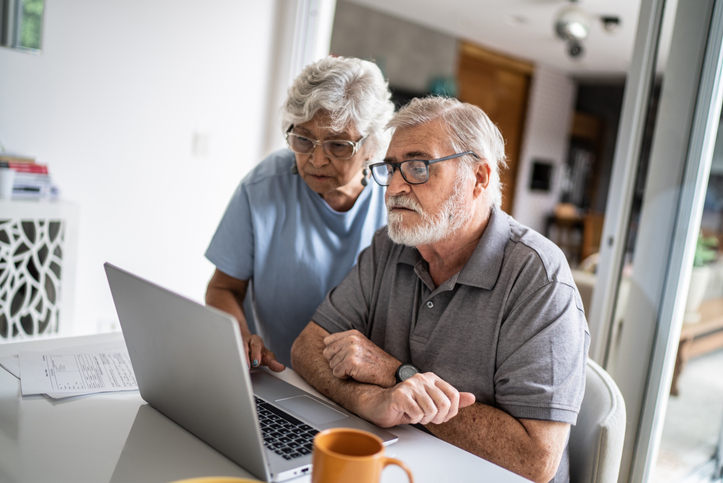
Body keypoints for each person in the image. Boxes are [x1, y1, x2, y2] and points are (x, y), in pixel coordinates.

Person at [291, 97, 589, 483]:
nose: (395, 187)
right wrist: (372, 401)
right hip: (404, 463)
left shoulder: (539, 278)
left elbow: (534, 459)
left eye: (418, 167)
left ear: (479, 178)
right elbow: (307, 346)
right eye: (391, 168)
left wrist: (391, 373)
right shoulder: (390, 245)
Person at [205, 56, 395, 370]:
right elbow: (223, 288)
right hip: (273, 375)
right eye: (304, 139)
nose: (317, 159)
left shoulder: (394, 200)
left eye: (338, 145)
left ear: (371, 146)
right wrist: (240, 337)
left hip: (354, 390)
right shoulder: (265, 184)